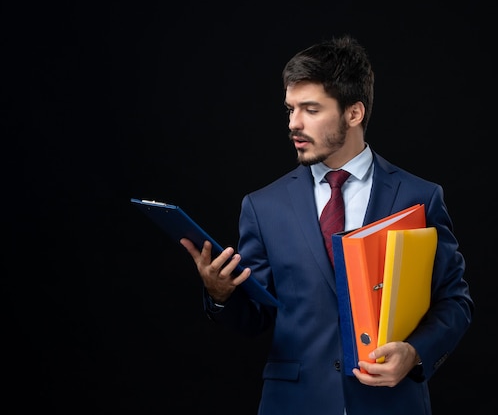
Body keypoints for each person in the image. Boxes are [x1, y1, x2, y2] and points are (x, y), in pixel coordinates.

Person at [180, 35, 474, 415]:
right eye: (290, 109)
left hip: (391, 403)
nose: (294, 124)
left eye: (311, 109)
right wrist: (220, 294)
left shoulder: (419, 196)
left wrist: (416, 353)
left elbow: (455, 301)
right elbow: (256, 317)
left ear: (354, 113)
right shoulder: (263, 206)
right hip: (294, 403)